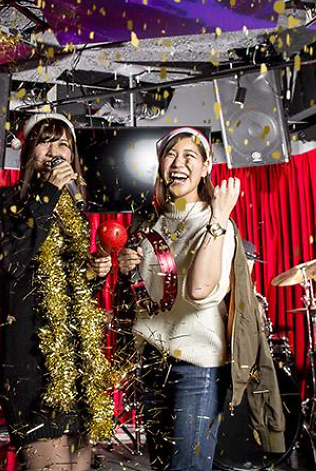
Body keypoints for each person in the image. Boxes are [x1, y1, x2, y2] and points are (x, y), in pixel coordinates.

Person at [117, 127, 286, 471]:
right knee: (164, 465)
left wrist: (219, 219)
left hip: (196, 367)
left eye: (190, 156)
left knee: (187, 466)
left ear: (207, 166)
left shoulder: (216, 222)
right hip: (153, 362)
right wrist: (125, 267)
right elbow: (145, 297)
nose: (178, 163)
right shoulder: (151, 223)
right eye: (170, 155)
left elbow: (198, 292)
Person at [0, 113, 114, 471]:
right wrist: (48, 194)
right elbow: (14, 265)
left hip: (76, 365)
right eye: (46, 142)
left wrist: (94, 273)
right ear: (29, 152)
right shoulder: (6, 200)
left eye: (64, 145)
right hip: (31, 363)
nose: (55, 151)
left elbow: (72, 291)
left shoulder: (75, 210)